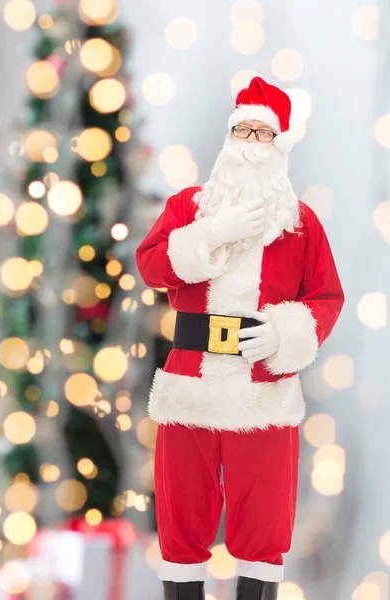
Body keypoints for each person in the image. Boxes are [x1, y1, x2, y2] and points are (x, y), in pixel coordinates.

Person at [135, 77, 344, 600]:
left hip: (263, 393)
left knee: (263, 528)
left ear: (278, 145)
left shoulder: (301, 225)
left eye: (262, 133)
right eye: (242, 130)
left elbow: (326, 298)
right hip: (191, 390)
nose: (250, 144)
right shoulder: (189, 207)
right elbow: (151, 267)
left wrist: (280, 334)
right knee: (181, 520)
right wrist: (211, 234)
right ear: (229, 138)